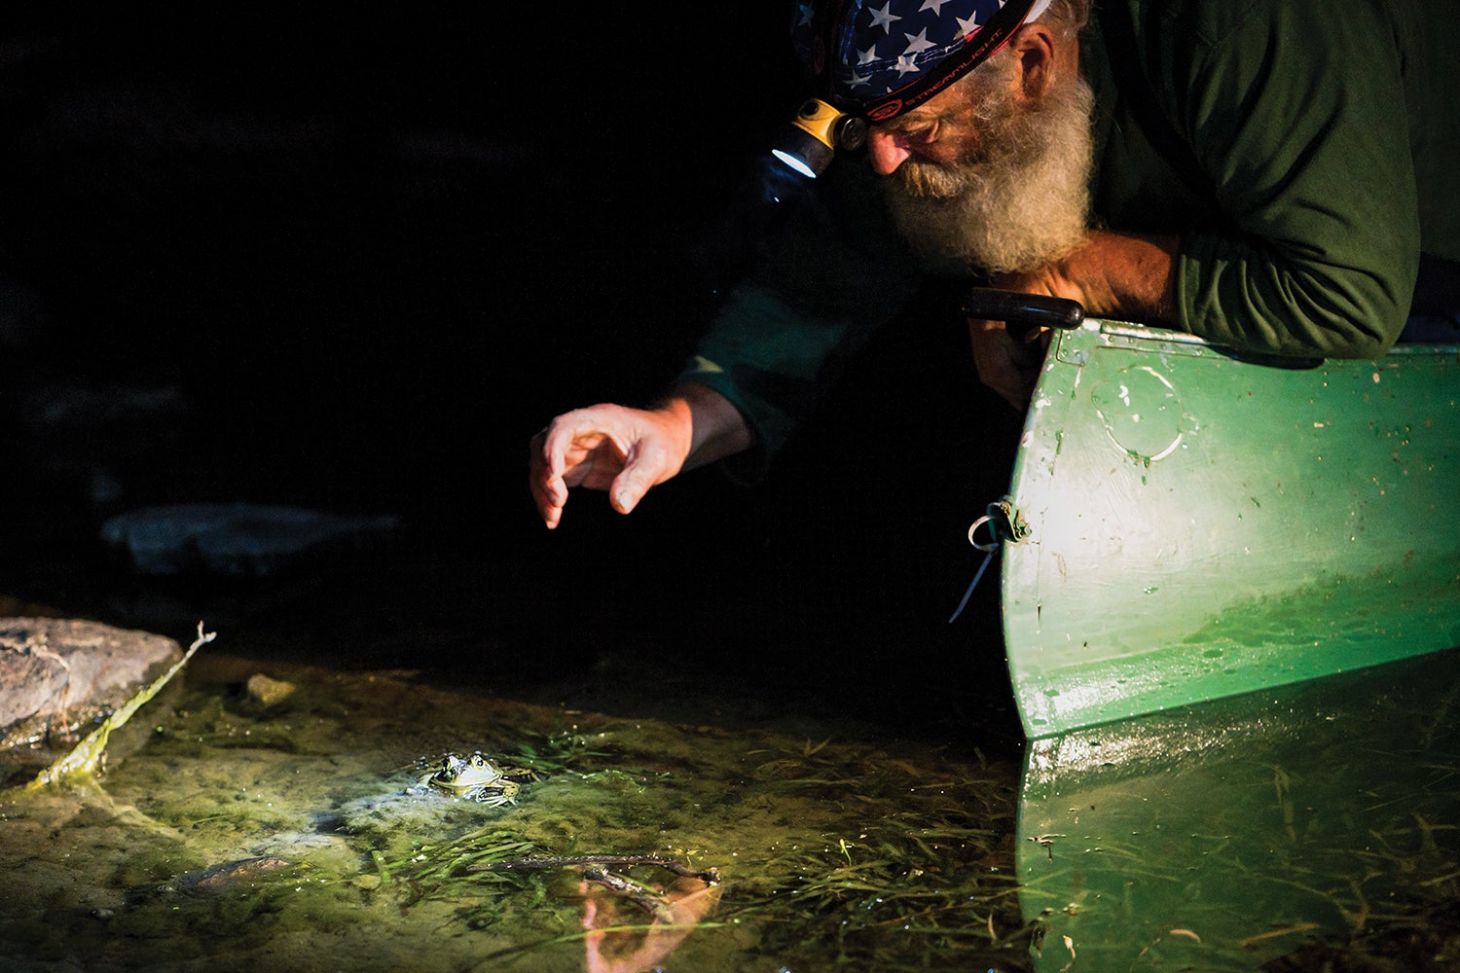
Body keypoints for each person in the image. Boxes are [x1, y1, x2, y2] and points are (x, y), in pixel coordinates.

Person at [531, 0, 1459, 529]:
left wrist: (1074, 269)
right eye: (868, 134)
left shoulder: (1245, 26)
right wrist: (682, 420)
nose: (888, 162)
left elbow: (1348, 289)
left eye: (917, 130)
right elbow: (846, 252)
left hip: (1422, 267)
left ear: (1033, 62)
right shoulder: (936, 78)